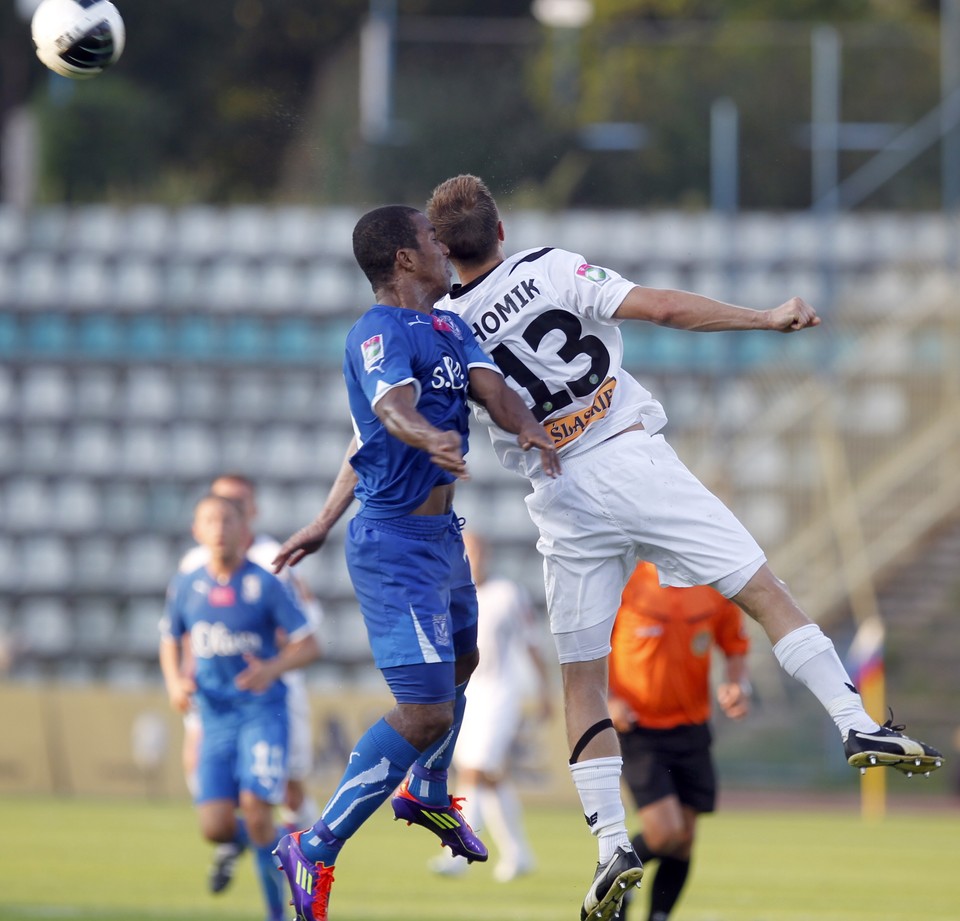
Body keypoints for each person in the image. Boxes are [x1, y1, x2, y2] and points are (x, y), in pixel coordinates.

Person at [422, 173, 943, 921]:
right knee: (763, 589)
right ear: (500, 230)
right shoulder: (548, 267)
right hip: (628, 457)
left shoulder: (447, 325)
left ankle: (609, 846)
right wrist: (766, 318)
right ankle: (856, 721)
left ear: (445, 247)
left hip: (559, 494)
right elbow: (662, 306)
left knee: (582, 679)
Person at [270, 204, 561, 921]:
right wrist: (429, 436)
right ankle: (314, 844)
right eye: (431, 238)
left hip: (442, 540)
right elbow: (392, 410)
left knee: (464, 668)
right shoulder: (376, 333)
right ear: (404, 257)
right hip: (395, 545)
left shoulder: (452, 327)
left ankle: (426, 791)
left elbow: (493, 394)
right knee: (427, 713)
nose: (443, 246)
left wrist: (532, 431)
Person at [159, 493, 321, 921]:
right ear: (196, 531)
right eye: (209, 521)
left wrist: (273, 668)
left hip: (261, 713)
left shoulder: (265, 583)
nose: (219, 529)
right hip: (213, 717)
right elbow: (169, 638)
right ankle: (282, 839)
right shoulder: (187, 585)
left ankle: (279, 913)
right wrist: (175, 680)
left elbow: (309, 644)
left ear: (243, 530)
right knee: (215, 827)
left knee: (255, 806)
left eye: (227, 521)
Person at [607, 561, 751, 921]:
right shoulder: (625, 584)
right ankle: (610, 882)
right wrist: (607, 698)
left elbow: (734, 645)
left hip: (691, 728)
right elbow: (588, 648)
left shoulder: (712, 586)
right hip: (638, 728)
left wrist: (737, 684)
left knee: (684, 838)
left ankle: (659, 916)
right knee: (665, 831)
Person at [428, 530, 554, 883]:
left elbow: (531, 643)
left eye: (478, 552)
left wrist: (544, 691)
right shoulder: (449, 596)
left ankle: (456, 850)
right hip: (466, 693)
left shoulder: (506, 593)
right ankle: (518, 853)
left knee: (474, 770)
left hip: (502, 691)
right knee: (491, 776)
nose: (473, 560)